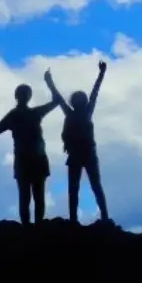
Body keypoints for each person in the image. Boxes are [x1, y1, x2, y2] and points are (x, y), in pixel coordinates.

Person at [44, 61, 110, 223]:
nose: (80, 101)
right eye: (78, 99)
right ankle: (74, 219)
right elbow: (59, 98)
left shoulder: (85, 111)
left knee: (95, 186)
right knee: (74, 189)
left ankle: (104, 217)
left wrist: (101, 73)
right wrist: (49, 82)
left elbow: (95, 91)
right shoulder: (72, 113)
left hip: (87, 153)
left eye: (82, 99)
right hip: (76, 154)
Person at [0, 81, 60, 224]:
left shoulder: (22, 114)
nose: (24, 96)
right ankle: (31, 228)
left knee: (30, 196)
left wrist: (49, 82)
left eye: (25, 94)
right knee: (30, 196)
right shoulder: (28, 114)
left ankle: (31, 227)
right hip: (29, 159)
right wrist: (49, 83)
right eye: (23, 94)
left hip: (30, 159)